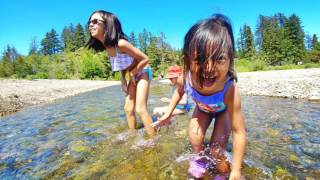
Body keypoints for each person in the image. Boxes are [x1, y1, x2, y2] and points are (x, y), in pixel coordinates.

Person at [152, 14, 246, 179]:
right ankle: (201, 160)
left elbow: (239, 132)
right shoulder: (186, 78)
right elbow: (179, 92)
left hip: (223, 111)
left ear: (230, 60)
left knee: (217, 148)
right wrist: (168, 113)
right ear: (187, 60)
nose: (209, 68)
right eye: (200, 59)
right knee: (195, 138)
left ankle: (222, 173)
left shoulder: (229, 88)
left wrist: (236, 171)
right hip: (202, 109)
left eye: (219, 58)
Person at [87, 10, 155, 136]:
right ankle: (133, 137)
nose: (91, 25)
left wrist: (133, 74)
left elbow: (145, 59)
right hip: (132, 74)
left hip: (143, 70)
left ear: (107, 24)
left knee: (140, 108)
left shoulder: (121, 44)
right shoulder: (107, 48)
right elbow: (122, 65)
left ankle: (154, 141)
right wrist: (123, 79)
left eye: (95, 21)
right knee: (128, 109)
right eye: (89, 22)